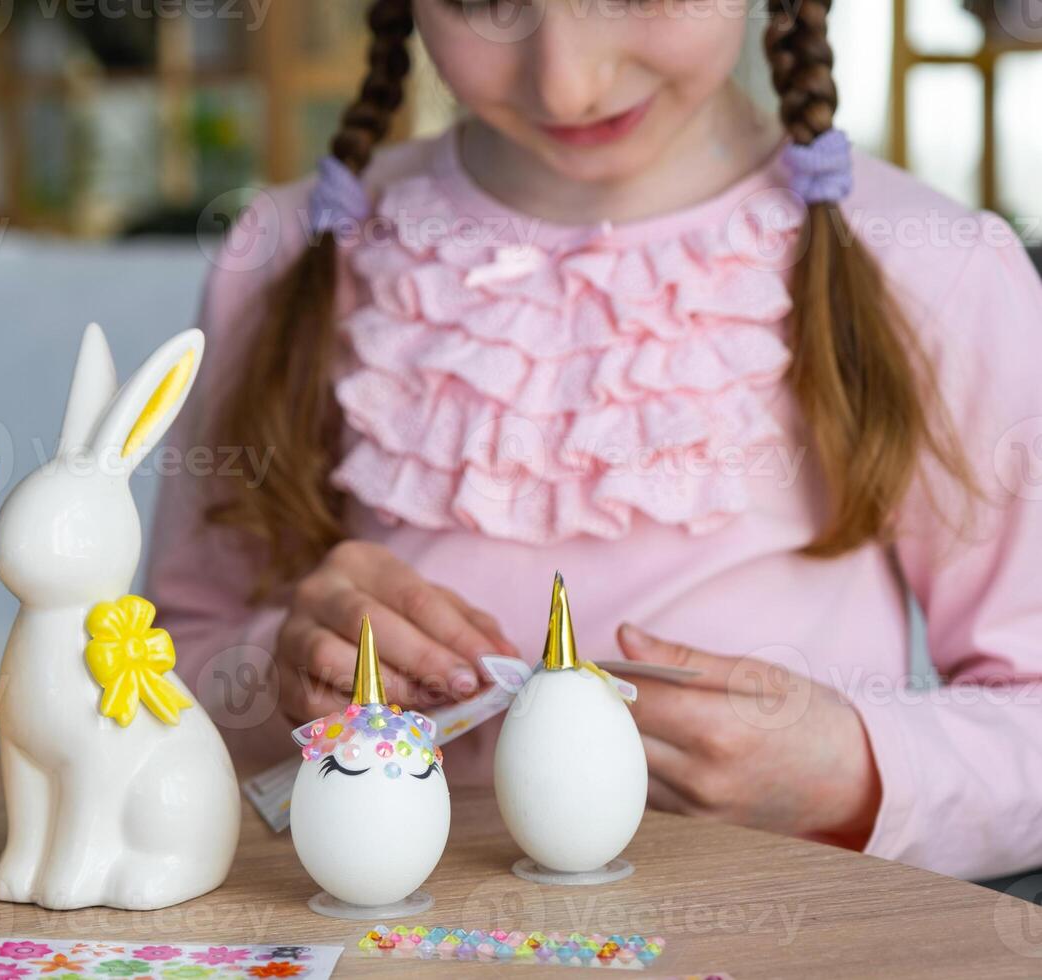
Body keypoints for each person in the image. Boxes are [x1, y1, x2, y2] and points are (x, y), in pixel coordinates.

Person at [145, 0, 1042, 880]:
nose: (568, 85)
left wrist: (856, 772)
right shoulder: (287, 254)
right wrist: (278, 676)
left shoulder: (934, 267)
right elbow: (157, 675)